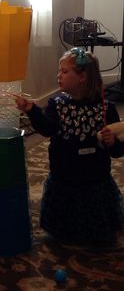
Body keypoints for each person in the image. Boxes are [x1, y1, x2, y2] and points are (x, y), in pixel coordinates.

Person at [16, 47, 124, 245]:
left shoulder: (105, 107)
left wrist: (111, 142)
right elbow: (47, 129)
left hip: (95, 177)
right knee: (62, 230)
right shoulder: (56, 104)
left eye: (65, 72)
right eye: (60, 71)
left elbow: (117, 151)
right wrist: (32, 110)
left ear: (82, 77)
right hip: (64, 175)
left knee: (97, 229)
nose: (59, 76)